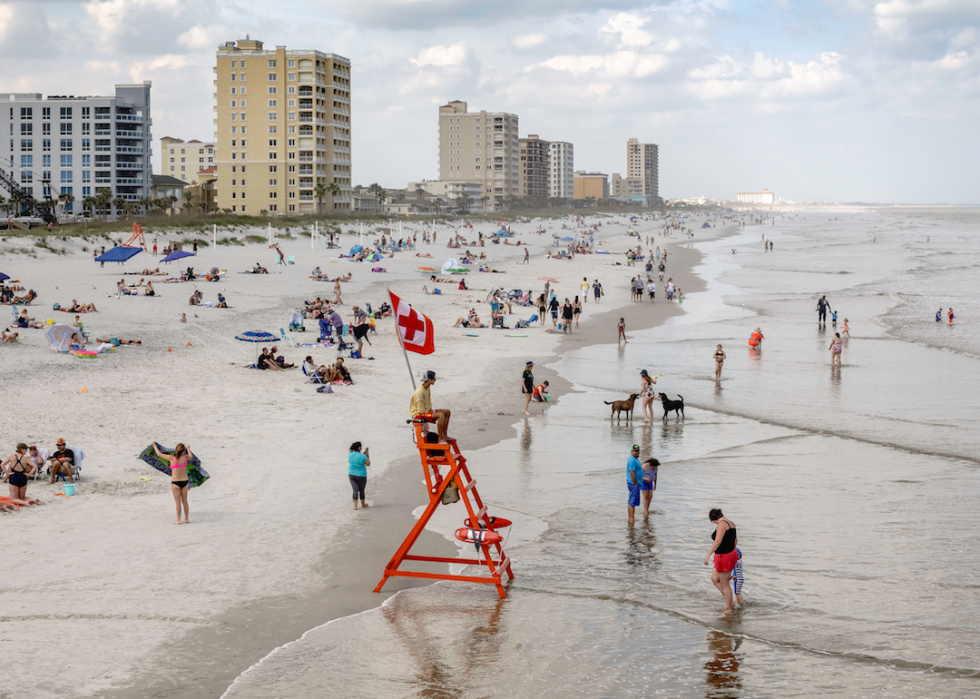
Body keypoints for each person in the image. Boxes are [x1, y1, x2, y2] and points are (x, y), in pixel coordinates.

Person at [704, 508, 738, 614]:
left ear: (713, 519)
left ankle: (729, 608)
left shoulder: (722, 524)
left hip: (724, 556)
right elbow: (735, 540)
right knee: (714, 579)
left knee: (724, 583)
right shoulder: (731, 523)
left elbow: (718, 541)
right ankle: (730, 601)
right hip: (728, 554)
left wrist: (708, 555)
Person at [152, 442, 193, 524]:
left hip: (175, 482)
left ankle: (178, 520)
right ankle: (186, 518)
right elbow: (191, 456)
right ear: (183, 451)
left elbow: (159, 454)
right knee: (185, 501)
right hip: (185, 481)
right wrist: (188, 448)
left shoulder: (171, 458)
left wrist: (154, 446)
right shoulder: (185, 458)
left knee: (178, 502)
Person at [409, 370, 451, 443]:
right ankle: (440, 439)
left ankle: (445, 435)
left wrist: (432, 411)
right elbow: (421, 410)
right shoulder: (420, 392)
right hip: (418, 414)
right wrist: (432, 414)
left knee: (447, 412)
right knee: (440, 415)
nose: (435, 380)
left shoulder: (427, 388)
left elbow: (428, 402)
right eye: (434, 379)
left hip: (426, 411)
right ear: (429, 380)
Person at [348, 441, 370, 510]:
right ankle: (363, 504)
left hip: (351, 474)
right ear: (359, 447)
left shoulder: (350, 454)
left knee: (355, 490)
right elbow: (368, 464)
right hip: (361, 475)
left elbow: (352, 461)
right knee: (361, 490)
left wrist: (362, 456)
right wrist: (367, 456)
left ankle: (355, 506)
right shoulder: (363, 456)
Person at [626, 445, 643, 524]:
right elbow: (632, 472)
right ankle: (631, 518)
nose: (637, 452)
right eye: (635, 451)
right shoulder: (632, 460)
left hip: (634, 483)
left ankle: (631, 517)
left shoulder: (634, 459)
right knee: (632, 501)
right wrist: (635, 483)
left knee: (632, 501)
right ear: (631, 451)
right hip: (633, 484)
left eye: (638, 451)